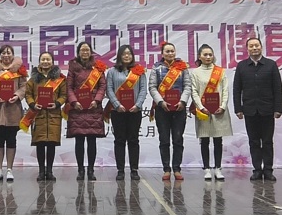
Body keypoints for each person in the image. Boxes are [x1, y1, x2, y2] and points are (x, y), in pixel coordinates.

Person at [233, 37, 282, 182]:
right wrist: (238, 109)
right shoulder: (242, 66)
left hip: (267, 109)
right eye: (251, 46)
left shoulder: (271, 65)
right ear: (247, 49)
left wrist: (278, 108)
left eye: (257, 45)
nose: (254, 48)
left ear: (261, 47)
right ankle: (256, 170)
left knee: (267, 142)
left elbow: (277, 88)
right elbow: (237, 89)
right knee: (253, 141)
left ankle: (268, 170)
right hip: (249, 110)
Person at [0, 45, 27, 182]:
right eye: (3, 53)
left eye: (9, 53)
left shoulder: (19, 70)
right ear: (0, 55)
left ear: (13, 55)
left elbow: (24, 86)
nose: (6, 55)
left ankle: (9, 169)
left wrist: (17, 95)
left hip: (13, 110)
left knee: (11, 140)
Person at [149, 42, 192, 181]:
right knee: (164, 140)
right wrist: (160, 102)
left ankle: (177, 169)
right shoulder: (156, 68)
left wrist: (183, 101)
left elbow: (187, 85)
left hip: (179, 108)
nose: (170, 53)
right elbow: (152, 87)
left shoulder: (182, 67)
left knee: (178, 139)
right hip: (162, 109)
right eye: (167, 51)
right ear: (162, 53)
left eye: (172, 51)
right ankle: (166, 169)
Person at [191, 44, 232, 181]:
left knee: (218, 140)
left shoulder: (220, 71)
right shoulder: (195, 72)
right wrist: (201, 107)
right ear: (199, 57)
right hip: (203, 111)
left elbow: (225, 90)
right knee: (204, 140)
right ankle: (207, 169)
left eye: (210, 54)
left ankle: (218, 168)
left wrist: (223, 106)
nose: (208, 57)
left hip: (219, 111)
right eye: (205, 55)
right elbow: (194, 92)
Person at [66, 42, 107, 181]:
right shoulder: (73, 67)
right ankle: (80, 170)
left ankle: (90, 170)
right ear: (78, 52)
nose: (85, 52)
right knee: (79, 141)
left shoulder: (97, 67)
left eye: (87, 50)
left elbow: (102, 86)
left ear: (91, 52)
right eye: (82, 50)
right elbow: (69, 87)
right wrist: (74, 101)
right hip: (77, 108)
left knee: (91, 141)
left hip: (93, 108)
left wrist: (97, 100)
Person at [106, 45, 147, 181]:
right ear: (119, 56)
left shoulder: (138, 71)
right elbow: (109, 89)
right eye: (124, 54)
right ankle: (120, 170)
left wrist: (138, 105)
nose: (127, 56)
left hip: (134, 110)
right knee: (119, 140)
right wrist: (117, 105)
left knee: (133, 140)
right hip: (117, 111)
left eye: (129, 53)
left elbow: (143, 89)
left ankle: (134, 170)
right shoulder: (112, 72)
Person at [25, 52, 67, 181]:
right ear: (39, 62)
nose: (45, 62)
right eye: (43, 59)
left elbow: (64, 95)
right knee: (40, 144)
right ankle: (41, 171)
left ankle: (49, 171)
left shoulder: (59, 79)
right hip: (39, 115)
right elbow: (28, 94)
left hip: (53, 115)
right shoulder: (33, 79)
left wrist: (57, 103)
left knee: (51, 144)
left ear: (52, 62)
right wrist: (33, 104)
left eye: (48, 59)